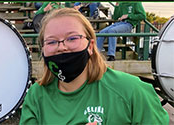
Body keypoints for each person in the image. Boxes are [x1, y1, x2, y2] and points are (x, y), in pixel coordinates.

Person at [19, 8, 169, 124]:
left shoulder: (133, 92)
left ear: (90, 46)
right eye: (51, 41)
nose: (61, 47)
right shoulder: (35, 96)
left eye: (72, 38)